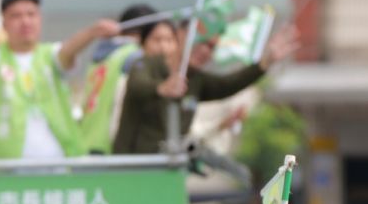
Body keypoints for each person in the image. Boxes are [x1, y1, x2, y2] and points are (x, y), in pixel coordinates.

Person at [0, 0, 119, 160]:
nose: (25, 21)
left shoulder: (50, 56)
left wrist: (92, 33)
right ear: (4, 23)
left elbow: (69, 50)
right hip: (6, 169)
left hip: (57, 166)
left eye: (31, 14)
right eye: (16, 16)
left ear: (40, 19)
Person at [113, 19, 298, 154]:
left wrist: (264, 63)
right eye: (202, 42)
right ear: (181, 35)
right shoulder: (146, 64)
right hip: (132, 169)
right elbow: (137, 85)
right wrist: (161, 88)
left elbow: (228, 84)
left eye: (212, 47)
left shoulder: (197, 80)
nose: (205, 51)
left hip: (170, 172)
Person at [78, 3, 155, 155]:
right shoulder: (135, 56)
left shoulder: (99, 57)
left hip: (86, 140)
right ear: (145, 34)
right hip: (111, 144)